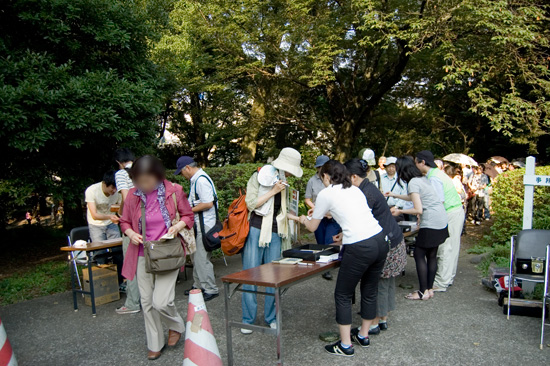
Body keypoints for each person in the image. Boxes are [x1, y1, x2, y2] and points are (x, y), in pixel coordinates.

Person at [289, 160, 386, 357]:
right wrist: (320, 212)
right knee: (369, 289)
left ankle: (345, 345)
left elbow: (312, 227)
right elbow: (350, 211)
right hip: (379, 240)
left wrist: (301, 219)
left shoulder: (327, 192)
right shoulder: (354, 189)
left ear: (326, 176)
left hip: (359, 245)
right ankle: (364, 335)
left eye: (322, 176)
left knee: (342, 294)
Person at [120, 155, 193, 360]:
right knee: (147, 302)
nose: (142, 185)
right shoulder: (133, 195)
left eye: (146, 180)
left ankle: (176, 325)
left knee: (161, 301)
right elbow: (124, 222)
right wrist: (131, 234)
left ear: (157, 176)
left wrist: (176, 227)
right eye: (138, 181)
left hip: (167, 252)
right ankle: (155, 343)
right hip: (142, 254)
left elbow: (188, 216)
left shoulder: (174, 191)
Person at [241, 148, 302, 334]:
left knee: (273, 276)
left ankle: (271, 317)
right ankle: (247, 319)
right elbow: (250, 203)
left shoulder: (285, 180)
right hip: (256, 229)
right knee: (250, 275)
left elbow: (282, 211)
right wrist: (273, 190)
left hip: (276, 232)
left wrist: (298, 218)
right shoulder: (258, 175)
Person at [344, 159, 406, 335]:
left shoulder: (364, 193)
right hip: (394, 240)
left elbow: (361, 220)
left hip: (387, 244)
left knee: (376, 284)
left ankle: (373, 323)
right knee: (386, 283)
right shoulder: (369, 187)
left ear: (354, 177)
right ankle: (383, 318)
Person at [386, 156, 449, 300]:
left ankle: (422, 292)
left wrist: (400, 211)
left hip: (431, 222)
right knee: (431, 255)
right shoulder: (421, 179)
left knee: (419, 254)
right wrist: (394, 194)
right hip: (441, 219)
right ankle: (429, 290)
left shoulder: (413, 182)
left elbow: (418, 209)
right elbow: (414, 198)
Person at [415, 150, 465, 292]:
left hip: (449, 212)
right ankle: (447, 278)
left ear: (422, 162)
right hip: (453, 211)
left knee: (445, 248)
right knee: (451, 247)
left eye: (416, 162)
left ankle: (441, 282)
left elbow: (438, 201)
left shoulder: (434, 178)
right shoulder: (436, 174)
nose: (415, 166)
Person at [175, 156, 219, 301]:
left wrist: (187, 211)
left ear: (187, 168)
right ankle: (198, 286)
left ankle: (210, 289)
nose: (182, 176)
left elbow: (208, 203)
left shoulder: (200, 180)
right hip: (201, 223)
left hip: (205, 224)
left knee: (201, 258)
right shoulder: (197, 179)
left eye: (181, 172)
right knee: (195, 256)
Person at [113, 148, 141, 315]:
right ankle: (148, 300)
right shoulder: (144, 170)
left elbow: (126, 197)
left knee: (131, 262)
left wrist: (122, 216)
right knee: (145, 262)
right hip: (149, 221)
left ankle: (132, 303)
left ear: (119, 162)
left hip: (132, 223)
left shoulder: (121, 174)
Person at [305, 154, 340, 280]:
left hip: (332, 217)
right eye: (320, 167)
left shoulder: (336, 180)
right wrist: (315, 208)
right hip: (318, 216)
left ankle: (328, 267)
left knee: (329, 240)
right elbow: (307, 199)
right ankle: (323, 266)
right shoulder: (312, 181)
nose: (321, 169)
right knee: (320, 242)